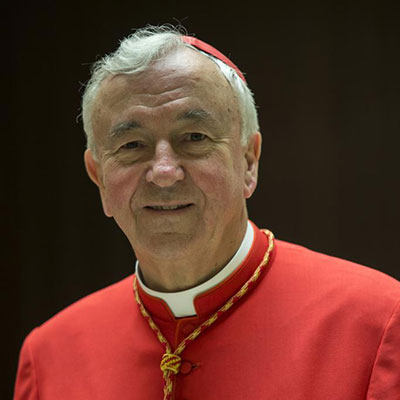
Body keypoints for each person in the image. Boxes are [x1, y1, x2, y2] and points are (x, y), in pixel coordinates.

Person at [14, 25, 400, 400]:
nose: (164, 172)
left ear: (249, 162)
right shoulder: (49, 356)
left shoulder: (377, 324)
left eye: (194, 138)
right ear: (99, 179)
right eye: (132, 145)